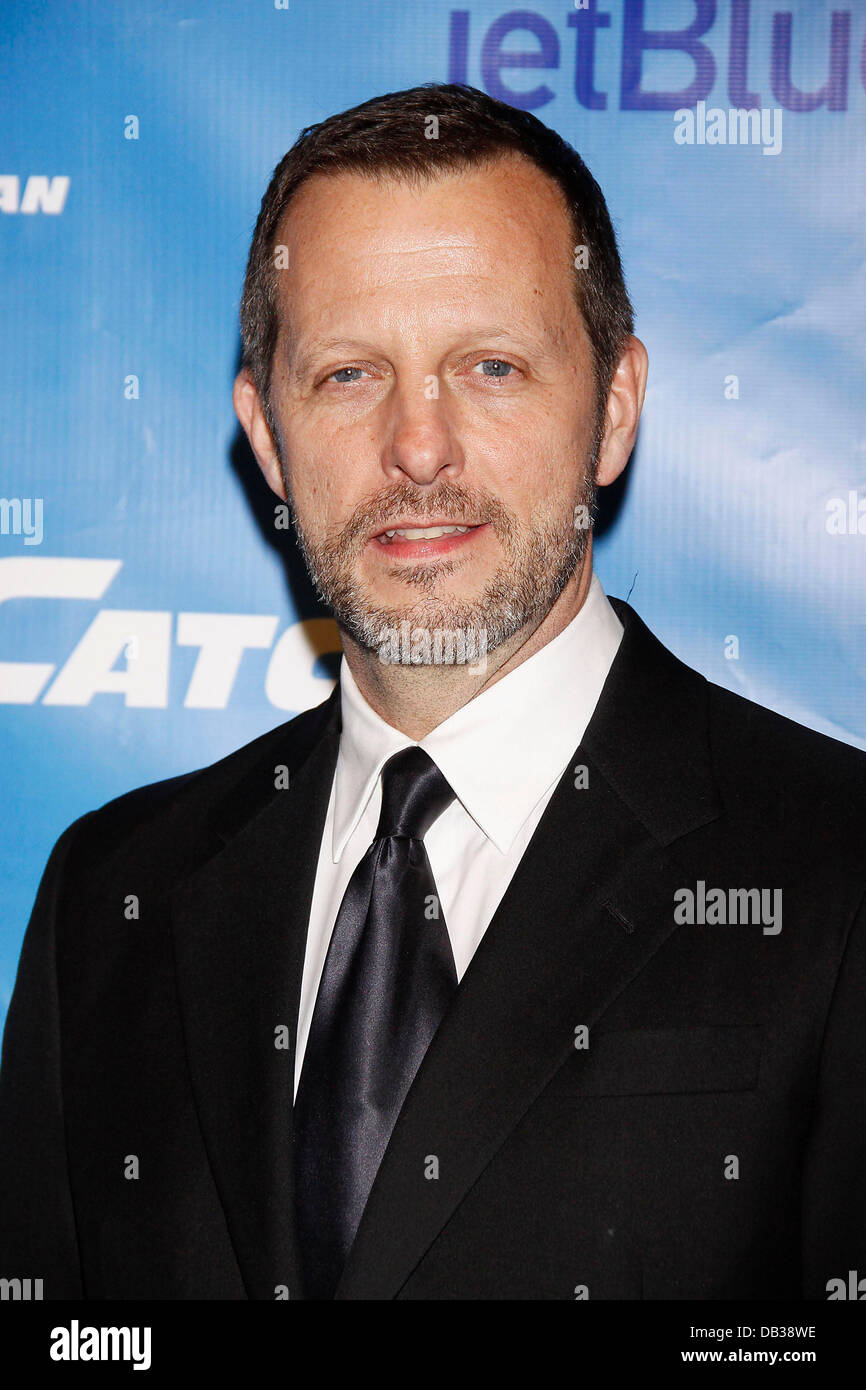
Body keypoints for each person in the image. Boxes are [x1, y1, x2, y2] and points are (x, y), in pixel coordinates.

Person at [1, 83, 864, 1301]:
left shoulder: (836, 865)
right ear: (267, 438)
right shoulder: (112, 891)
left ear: (612, 409)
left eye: (492, 366)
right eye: (350, 375)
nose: (419, 447)